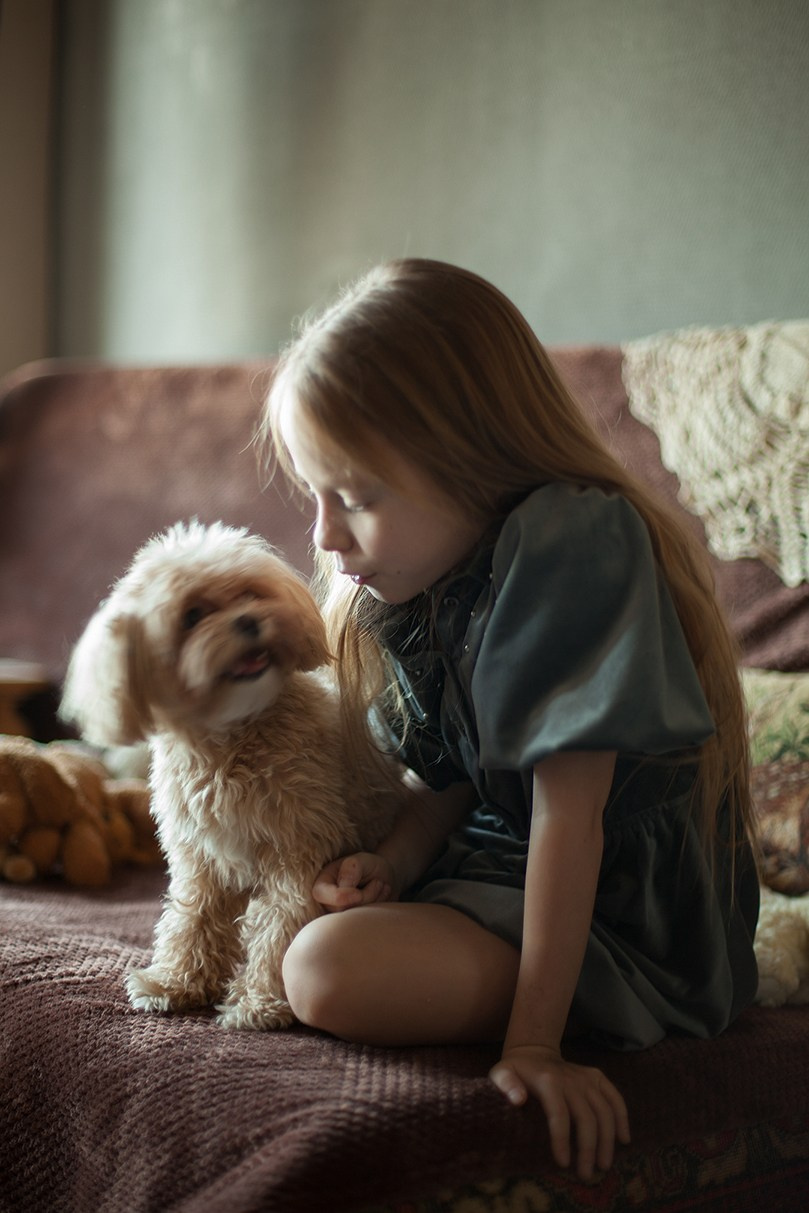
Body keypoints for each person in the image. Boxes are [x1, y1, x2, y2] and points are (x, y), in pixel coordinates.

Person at [262, 258, 760, 1181]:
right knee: (306, 936)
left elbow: (569, 821)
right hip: (499, 869)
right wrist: (396, 862)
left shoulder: (574, 542)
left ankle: (584, 999)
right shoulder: (415, 578)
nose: (326, 537)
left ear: (469, 454)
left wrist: (535, 1044)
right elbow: (449, 774)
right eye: (315, 496)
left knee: (322, 970)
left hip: (615, 910)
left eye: (356, 497)